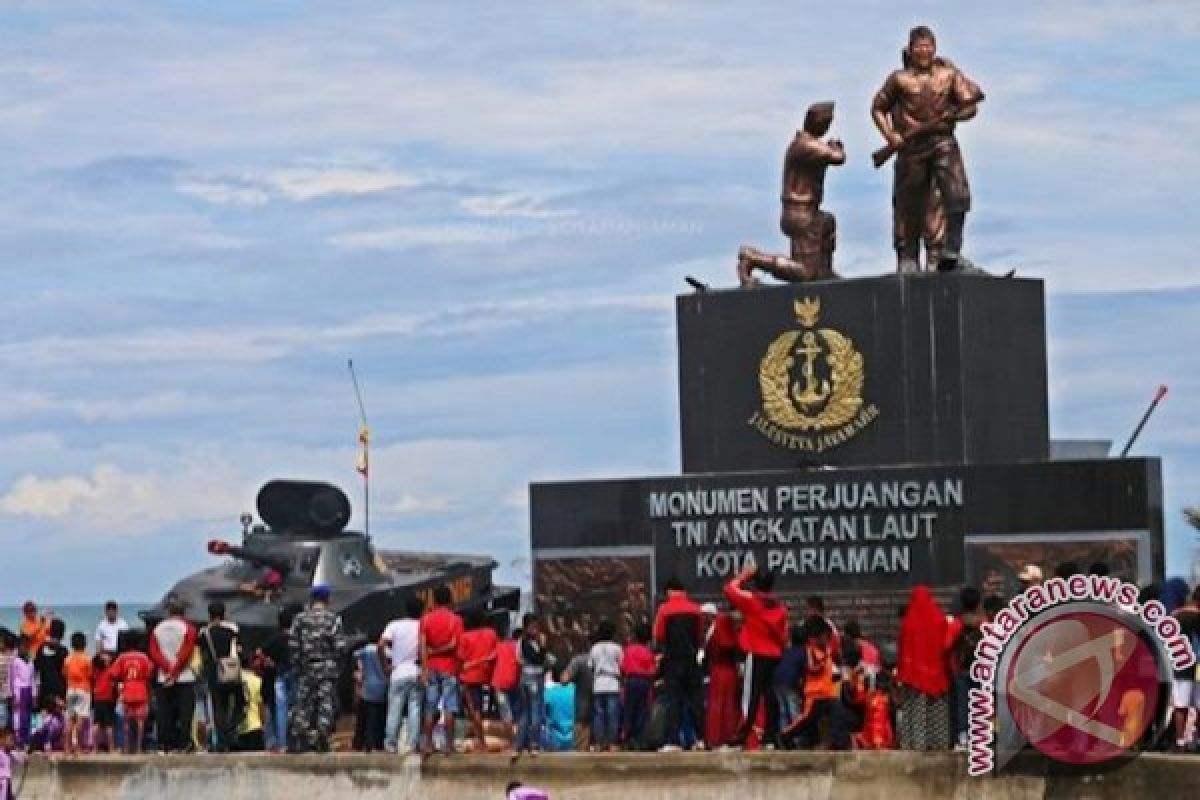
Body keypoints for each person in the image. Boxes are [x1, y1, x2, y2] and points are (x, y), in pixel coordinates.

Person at [871, 25, 983, 273]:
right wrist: (890, 136)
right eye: (919, 46)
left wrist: (956, 115)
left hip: (943, 142)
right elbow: (877, 108)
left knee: (958, 195)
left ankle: (951, 250)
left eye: (929, 46)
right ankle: (908, 257)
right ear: (910, 50)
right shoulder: (899, 79)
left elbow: (970, 105)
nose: (924, 51)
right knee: (909, 204)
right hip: (911, 149)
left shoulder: (948, 74)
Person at [724, 564, 788, 749]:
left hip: (757, 652)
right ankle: (771, 734)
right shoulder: (780, 608)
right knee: (769, 694)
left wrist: (744, 575)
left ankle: (743, 734)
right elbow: (783, 636)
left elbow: (729, 589)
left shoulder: (752, 601)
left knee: (751, 696)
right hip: (774, 654)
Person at [288, 584, 346, 753]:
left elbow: (293, 645)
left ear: (312, 599)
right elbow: (340, 646)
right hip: (327, 666)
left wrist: (299, 664)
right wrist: (337, 665)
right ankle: (322, 735)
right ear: (327, 599)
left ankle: (300, 736)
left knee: (303, 702)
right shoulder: (333, 619)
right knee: (325, 702)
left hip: (307, 666)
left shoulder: (300, 619)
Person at [652, 578, 706, 751]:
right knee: (696, 700)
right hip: (691, 660)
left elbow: (658, 634)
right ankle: (701, 739)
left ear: (669, 591)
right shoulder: (696, 609)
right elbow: (699, 636)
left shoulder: (664, 610)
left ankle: (674, 741)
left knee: (674, 700)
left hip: (673, 661)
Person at [896, 585, 951, 750]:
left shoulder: (909, 622)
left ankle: (914, 745)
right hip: (936, 673)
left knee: (914, 710)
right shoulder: (939, 618)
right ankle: (938, 744)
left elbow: (903, 647)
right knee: (937, 710)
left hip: (913, 674)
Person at [148, 593, 198, 753]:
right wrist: (175, 671)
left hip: (163, 677)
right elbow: (186, 652)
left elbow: (154, 652)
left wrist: (167, 669)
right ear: (183, 612)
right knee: (185, 714)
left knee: (164, 713)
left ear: (168, 611)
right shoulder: (188, 628)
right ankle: (184, 744)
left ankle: (164, 744)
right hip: (184, 677)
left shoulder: (158, 628)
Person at [419, 586, 465, 756]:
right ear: (450, 599)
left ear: (435, 601)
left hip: (431, 668)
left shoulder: (426, 619)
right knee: (449, 708)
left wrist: (425, 667)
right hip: (450, 668)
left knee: (430, 708)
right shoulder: (456, 620)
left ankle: (427, 744)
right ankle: (449, 745)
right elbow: (455, 645)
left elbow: (423, 646)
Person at [380, 595, 424, 754]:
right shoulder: (422, 626)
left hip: (397, 673)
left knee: (394, 710)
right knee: (415, 709)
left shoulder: (394, 625)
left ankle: (390, 744)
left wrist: (385, 665)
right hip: (416, 671)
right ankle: (413, 745)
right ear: (422, 610)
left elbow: (381, 644)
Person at [200, 602, 243, 753]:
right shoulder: (233, 629)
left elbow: (203, 655)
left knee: (218, 707)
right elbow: (239, 649)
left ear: (209, 615)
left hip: (214, 672)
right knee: (238, 704)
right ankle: (232, 733)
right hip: (232, 670)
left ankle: (221, 741)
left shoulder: (205, 633)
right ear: (224, 613)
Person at [945, 587, 984, 749]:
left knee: (962, 704)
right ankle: (979, 737)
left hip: (960, 668)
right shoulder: (984, 622)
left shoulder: (956, 623)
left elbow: (946, 645)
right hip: (980, 668)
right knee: (979, 703)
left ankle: (963, 737)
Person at [458, 610, 500, 753]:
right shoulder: (491, 634)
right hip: (489, 677)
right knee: (481, 709)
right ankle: (480, 737)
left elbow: (460, 661)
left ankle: (481, 742)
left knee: (473, 710)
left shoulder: (464, 638)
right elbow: (496, 653)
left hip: (469, 678)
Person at [702, 604, 741, 750]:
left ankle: (714, 737)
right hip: (728, 671)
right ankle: (727, 735)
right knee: (728, 705)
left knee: (717, 706)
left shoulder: (715, 630)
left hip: (717, 672)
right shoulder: (728, 631)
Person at [259, 605, 297, 752]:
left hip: (279, 675)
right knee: (294, 709)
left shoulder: (275, 639)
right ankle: (294, 740)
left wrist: (270, 662)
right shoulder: (296, 639)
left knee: (280, 710)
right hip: (294, 674)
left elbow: (260, 652)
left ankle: (282, 743)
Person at [110, 632, 154, 754]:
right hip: (141, 690)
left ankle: (127, 747)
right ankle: (139, 747)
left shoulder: (122, 657)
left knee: (127, 721)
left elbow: (113, 674)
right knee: (140, 721)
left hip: (128, 690)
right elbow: (150, 673)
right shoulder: (144, 657)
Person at [1169, 583, 1200, 750]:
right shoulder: (1196, 617)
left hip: (1180, 666)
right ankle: (1196, 740)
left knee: (1181, 706)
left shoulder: (1175, 616)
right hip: (1197, 666)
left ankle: (1180, 740)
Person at [514, 615, 547, 758]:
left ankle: (519, 745)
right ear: (527, 627)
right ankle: (533, 744)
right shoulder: (527, 643)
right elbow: (537, 659)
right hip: (533, 677)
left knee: (525, 712)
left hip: (525, 677)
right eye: (533, 627)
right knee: (535, 711)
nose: (536, 630)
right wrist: (543, 647)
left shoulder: (523, 642)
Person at [619, 623, 656, 749]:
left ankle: (628, 738)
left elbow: (623, 668)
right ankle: (639, 739)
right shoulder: (648, 652)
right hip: (644, 681)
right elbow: (652, 671)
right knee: (642, 711)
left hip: (631, 680)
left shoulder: (628, 650)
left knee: (629, 710)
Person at [587, 619, 622, 752]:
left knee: (598, 715)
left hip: (598, 683)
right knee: (612, 715)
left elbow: (590, 666)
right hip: (612, 683)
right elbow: (622, 664)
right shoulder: (617, 648)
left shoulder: (594, 648)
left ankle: (598, 743)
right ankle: (612, 743)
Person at [352, 641, 389, 752]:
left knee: (364, 719)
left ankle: (363, 744)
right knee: (379, 719)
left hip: (367, 688)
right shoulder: (386, 651)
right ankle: (377, 744)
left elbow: (356, 656)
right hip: (382, 688)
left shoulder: (364, 651)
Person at [490, 621, 521, 751]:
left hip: (499, 685)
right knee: (518, 715)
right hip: (515, 683)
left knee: (506, 715)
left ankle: (512, 743)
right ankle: (518, 742)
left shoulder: (499, 646)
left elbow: (490, 658)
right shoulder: (520, 648)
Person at [63, 632, 93, 755]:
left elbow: (64, 674)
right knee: (80, 719)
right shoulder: (87, 658)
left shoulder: (67, 659)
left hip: (70, 689)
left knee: (70, 719)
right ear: (85, 644)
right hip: (84, 689)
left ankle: (66, 747)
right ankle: (78, 747)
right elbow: (91, 675)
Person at [560, 645, 593, 753]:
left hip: (583, 709)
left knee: (580, 748)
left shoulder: (579, 660)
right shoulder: (606, 658)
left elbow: (564, 680)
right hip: (603, 711)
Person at [773, 625, 806, 734]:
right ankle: (794, 736)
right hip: (790, 681)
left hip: (777, 680)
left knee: (783, 710)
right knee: (793, 709)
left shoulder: (787, 651)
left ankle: (783, 734)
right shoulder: (803, 651)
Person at [33, 618, 68, 717]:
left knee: (44, 718)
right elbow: (66, 672)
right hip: (59, 689)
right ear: (62, 634)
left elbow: (36, 667)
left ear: (50, 631)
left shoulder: (41, 648)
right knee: (59, 718)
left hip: (44, 688)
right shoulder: (63, 651)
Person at [235, 656, 266, 752]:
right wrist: (263, 722)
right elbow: (260, 704)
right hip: (255, 726)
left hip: (239, 727)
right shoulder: (258, 680)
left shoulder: (234, 681)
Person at [7, 639, 33, 748]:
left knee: (27, 716)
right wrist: (12, 693)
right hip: (19, 690)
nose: (24, 649)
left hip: (29, 690)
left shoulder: (30, 661)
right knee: (18, 715)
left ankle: (26, 740)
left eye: (26, 646)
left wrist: (35, 694)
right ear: (18, 648)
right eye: (22, 647)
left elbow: (33, 678)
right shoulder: (15, 661)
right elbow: (11, 678)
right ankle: (18, 741)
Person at [91, 650, 117, 753]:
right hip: (108, 699)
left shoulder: (95, 671)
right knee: (109, 725)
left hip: (97, 699)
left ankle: (95, 748)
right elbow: (115, 683)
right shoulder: (111, 670)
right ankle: (111, 748)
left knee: (96, 724)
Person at [542, 672, 575, 752]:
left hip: (554, 738)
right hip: (574, 737)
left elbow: (542, 716)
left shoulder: (548, 693)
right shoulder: (576, 691)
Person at [0, 726, 25, 800]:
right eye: (10, 739)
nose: (12, 742)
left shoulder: (9, 753)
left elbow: (19, 757)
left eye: (13, 740)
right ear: (2, 740)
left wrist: (24, 758)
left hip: (7, 783)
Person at [0, 634, 13, 734]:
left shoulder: (9, 657)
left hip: (5, 693)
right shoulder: (12, 656)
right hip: (7, 692)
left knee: (4, 718)